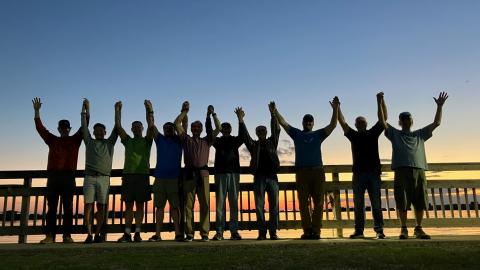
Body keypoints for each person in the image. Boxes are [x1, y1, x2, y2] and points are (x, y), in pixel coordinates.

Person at [380, 92, 448, 240]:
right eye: (403, 119)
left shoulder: (420, 134)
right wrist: (381, 101)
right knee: (402, 200)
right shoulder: (394, 134)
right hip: (401, 170)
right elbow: (382, 120)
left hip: (419, 170)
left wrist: (440, 106)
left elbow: (436, 123)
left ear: (412, 121)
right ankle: (403, 229)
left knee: (420, 200)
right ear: (400, 122)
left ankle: (418, 228)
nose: (406, 121)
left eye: (408, 119)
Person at [273, 97, 339, 240]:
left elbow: (333, 125)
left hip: (317, 171)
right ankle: (307, 230)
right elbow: (284, 124)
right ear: (302, 122)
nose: (308, 123)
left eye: (310, 121)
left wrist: (335, 109)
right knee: (303, 202)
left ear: (313, 123)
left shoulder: (318, 134)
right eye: (306, 121)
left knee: (319, 202)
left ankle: (316, 230)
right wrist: (275, 111)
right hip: (302, 172)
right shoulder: (297, 134)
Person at [33, 97, 88, 244]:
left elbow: (84, 126)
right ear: (58, 129)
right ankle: (50, 236)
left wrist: (85, 109)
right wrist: (37, 111)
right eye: (62, 128)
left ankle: (67, 236)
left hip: (69, 177)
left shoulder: (76, 140)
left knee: (68, 208)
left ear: (69, 129)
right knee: (51, 208)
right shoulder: (52, 140)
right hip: (53, 177)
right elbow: (40, 129)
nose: (64, 130)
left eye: (66, 128)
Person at [338, 92, 387, 239]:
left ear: (366, 124)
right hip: (358, 174)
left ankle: (379, 231)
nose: (361, 124)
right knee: (358, 205)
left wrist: (380, 101)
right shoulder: (353, 135)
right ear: (356, 125)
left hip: (373, 173)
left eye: (363, 122)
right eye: (358, 122)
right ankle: (359, 231)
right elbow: (342, 122)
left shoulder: (373, 133)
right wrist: (337, 107)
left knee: (376, 204)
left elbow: (384, 118)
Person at [174, 102, 220, 242]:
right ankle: (189, 233)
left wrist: (212, 114)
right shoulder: (185, 139)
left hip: (203, 175)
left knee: (205, 204)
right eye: (194, 127)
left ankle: (204, 233)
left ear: (201, 129)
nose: (196, 128)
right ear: (192, 129)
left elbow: (218, 127)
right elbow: (177, 124)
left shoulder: (207, 140)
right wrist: (184, 112)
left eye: (198, 127)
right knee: (188, 205)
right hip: (188, 175)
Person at [236, 102, 280, 240]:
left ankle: (273, 232)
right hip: (259, 177)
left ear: (266, 132)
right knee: (259, 206)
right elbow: (245, 136)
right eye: (259, 131)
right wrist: (241, 120)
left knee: (274, 206)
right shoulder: (253, 145)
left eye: (263, 131)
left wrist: (273, 114)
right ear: (257, 133)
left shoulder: (272, 141)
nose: (261, 132)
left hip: (272, 177)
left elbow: (276, 130)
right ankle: (262, 232)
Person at [115, 100, 153, 243]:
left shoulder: (147, 141)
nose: (136, 129)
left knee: (140, 206)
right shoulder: (128, 140)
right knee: (129, 206)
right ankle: (127, 234)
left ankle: (137, 233)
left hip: (142, 175)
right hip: (128, 176)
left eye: (139, 127)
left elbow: (151, 126)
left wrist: (149, 109)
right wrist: (117, 110)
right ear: (131, 129)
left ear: (142, 129)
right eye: (134, 127)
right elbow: (118, 127)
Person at [81, 98, 118, 244]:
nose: (99, 132)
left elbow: (117, 127)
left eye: (101, 130)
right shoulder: (89, 141)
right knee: (88, 206)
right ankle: (89, 234)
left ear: (105, 132)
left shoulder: (110, 143)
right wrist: (86, 109)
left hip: (104, 178)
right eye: (96, 131)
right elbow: (84, 126)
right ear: (94, 132)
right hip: (89, 177)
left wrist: (117, 111)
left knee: (102, 207)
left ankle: (97, 235)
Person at [148, 100, 186, 242]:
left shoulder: (180, 140)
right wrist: (151, 110)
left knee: (175, 208)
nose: (168, 130)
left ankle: (178, 233)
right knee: (159, 208)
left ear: (174, 130)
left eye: (170, 128)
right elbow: (151, 125)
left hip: (174, 178)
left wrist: (184, 111)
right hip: (160, 178)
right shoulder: (160, 139)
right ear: (163, 130)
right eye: (166, 128)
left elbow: (184, 125)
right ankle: (158, 235)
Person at [211, 114, 243, 241]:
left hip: (234, 173)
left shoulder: (235, 140)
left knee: (234, 203)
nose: (225, 130)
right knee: (220, 204)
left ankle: (234, 231)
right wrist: (211, 117)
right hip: (220, 173)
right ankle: (219, 231)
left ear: (230, 130)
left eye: (227, 128)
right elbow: (210, 133)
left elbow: (243, 136)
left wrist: (240, 120)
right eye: (222, 128)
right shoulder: (217, 141)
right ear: (221, 130)